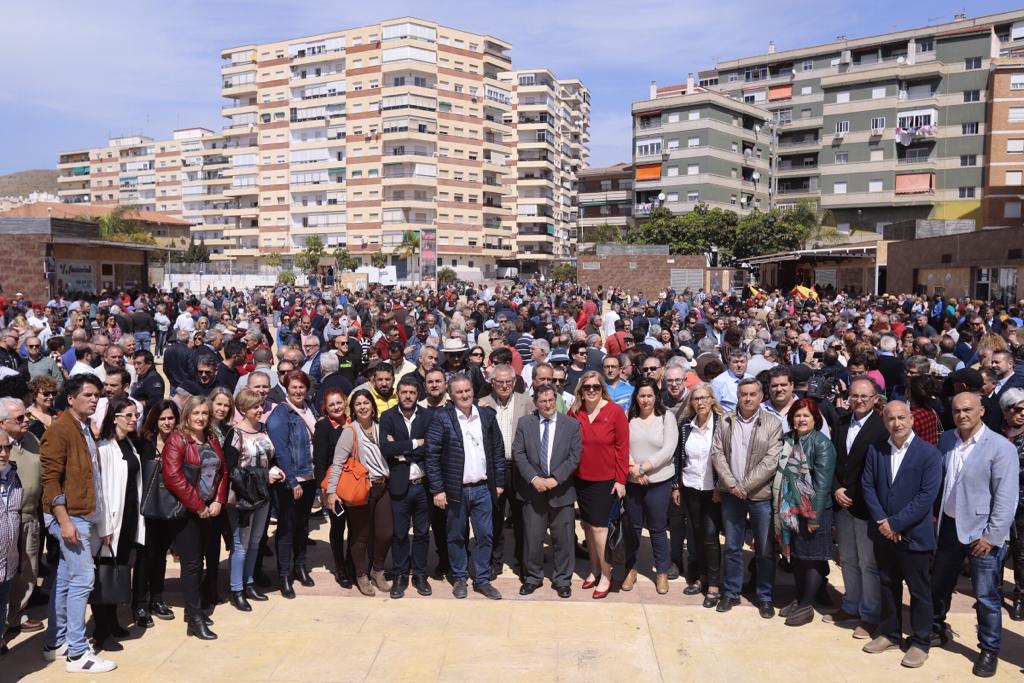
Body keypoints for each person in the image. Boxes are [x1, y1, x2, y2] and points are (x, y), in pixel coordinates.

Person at [931, 391, 1019, 678]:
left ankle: (989, 649)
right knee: (940, 585)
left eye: (968, 409)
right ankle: (936, 628)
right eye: (956, 410)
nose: (962, 415)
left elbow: (1006, 499)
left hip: (982, 535)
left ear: (982, 410)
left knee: (986, 596)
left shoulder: (999, 447)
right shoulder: (947, 441)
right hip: (949, 527)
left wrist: (992, 537)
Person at [39, 374, 118, 672]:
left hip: (81, 514)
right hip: (71, 517)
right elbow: (50, 480)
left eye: (97, 395)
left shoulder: (82, 427)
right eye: (88, 395)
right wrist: (64, 522)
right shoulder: (60, 430)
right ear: (71, 398)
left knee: (65, 579)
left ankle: (55, 643)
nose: (94, 399)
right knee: (83, 580)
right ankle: (77, 653)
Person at [860, 401, 942, 669]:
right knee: (887, 583)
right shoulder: (876, 449)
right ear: (884, 422)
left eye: (901, 418)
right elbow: (868, 485)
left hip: (914, 535)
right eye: (891, 419)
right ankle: (890, 633)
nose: (897, 423)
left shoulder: (929, 454)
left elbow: (926, 496)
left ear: (912, 419)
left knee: (919, 590)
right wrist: (883, 522)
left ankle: (920, 641)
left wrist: (895, 524)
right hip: (883, 533)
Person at [425, 374, 506, 600]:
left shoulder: (487, 416)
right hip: (455, 490)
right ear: (451, 395)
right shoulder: (441, 418)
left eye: (467, 390)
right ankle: (460, 577)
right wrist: (438, 490)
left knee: (485, 535)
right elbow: (431, 456)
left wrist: (499, 482)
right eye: (459, 392)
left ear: (473, 391)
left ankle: (481, 580)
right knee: (456, 536)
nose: (464, 395)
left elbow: (498, 451)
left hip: (483, 489)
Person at [711, 377, 782, 617]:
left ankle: (764, 596)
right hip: (731, 494)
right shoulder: (726, 420)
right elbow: (717, 452)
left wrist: (746, 485)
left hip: (760, 495)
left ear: (761, 396)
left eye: (753, 394)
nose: (748, 398)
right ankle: (731, 592)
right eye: (744, 394)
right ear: (738, 396)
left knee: (764, 549)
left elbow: (771, 461)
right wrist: (732, 484)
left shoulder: (772, 423)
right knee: (732, 546)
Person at [162, 395, 227, 640]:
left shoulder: (211, 437)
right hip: (187, 512)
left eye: (205, 414)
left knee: (200, 562)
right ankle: (194, 618)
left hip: (210, 509)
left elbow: (223, 470)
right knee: (191, 565)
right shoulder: (178, 440)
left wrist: (219, 500)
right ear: (187, 414)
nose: (201, 418)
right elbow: (173, 477)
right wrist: (198, 505)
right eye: (196, 413)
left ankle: (194, 609)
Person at [829, 376, 887, 639]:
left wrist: (854, 493)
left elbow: (878, 471)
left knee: (868, 563)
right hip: (842, 504)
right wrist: (836, 488)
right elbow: (833, 459)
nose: (859, 400)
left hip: (866, 505)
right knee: (848, 560)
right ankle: (850, 604)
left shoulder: (881, 427)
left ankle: (870, 615)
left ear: (876, 399)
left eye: (865, 396)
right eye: (855, 395)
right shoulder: (841, 422)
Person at [512, 383, 582, 598]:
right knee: (532, 539)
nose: (547, 404)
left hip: (561, 492)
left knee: (563, 540)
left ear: (556, 400)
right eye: (542, 401)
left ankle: (562, 580)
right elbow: (519, 453)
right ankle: (532, 578)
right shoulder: (525, 423)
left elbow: (575, 456)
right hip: (533, 492)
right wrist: (534, 479)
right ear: (536, 402)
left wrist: (555, 479)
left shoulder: (571, 425)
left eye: (551, 400)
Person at [771, 398, 836, 626]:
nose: (801, 419)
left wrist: (814, 516)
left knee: (813, 559)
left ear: (815, 419)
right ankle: (799, 598)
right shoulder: (789, 440)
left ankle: (807, 604)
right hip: (791, 509)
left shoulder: (822, 444)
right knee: (797, 557)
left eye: (806, 415)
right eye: (798, 415)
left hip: (812, 511)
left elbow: (823, 484)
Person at [327, 389, 392, 597]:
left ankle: (377, 570)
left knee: (385, 532)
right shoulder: (350, 431)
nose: (362, 407)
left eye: (366, 402)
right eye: (358, 404)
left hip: (383, 487)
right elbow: (337, 463)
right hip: (362, 488)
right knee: (360, 535)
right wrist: (331, 492)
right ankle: (361, 574)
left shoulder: (382, 428)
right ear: (353, 409)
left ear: (373, 406)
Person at [571, 370, 628, 599]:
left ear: (602, 388)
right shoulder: (576, 413)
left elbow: (622, 448)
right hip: (581, 479)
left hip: (605, 480)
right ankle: (594, 569)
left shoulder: (615, 412)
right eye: (587, 387)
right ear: (581, 391)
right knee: (586, 525)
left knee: (600, 529)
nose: (591, 390)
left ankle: (606, 572)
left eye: (595, 386)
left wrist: (621, 480)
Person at [93, 397, 144, 652]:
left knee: (118, 571)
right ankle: (100, 631)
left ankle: (112, 622)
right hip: (110, 525)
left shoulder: (129, 446)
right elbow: (100, 492)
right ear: (115, 417)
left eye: (135, 415)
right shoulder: (104, 448)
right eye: (129, 415)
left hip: (128, 519)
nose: (134, 420)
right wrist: (103, 528)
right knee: (104, 575)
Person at [226, 389, 281, 612]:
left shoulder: (264, 429)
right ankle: (236, 588)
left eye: (260, 406)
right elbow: (231, 470)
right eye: (254, 407)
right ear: (243, 410)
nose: (260, 410)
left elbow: (270, 457)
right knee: (241, 544)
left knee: (256, 541)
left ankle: (249, 583)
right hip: (244, 497)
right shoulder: (235, 434)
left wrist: (275, 468)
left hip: (263, 494)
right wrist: (262, 476)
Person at [621, 377, 678, 595]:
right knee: (632, 527)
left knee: (657, 528)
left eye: (649, 395)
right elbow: (623, 444)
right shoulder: (630, 417)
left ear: (656, 397)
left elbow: (668, 449)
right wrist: (632, 468)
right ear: (636, 396)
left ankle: (661, 572)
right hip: (633, 480)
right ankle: (631, 568)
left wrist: (643, 468)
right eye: (642, 395)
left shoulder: (666, 418)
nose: (645, 400)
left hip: (658, 481)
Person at [266, 370, 319, 598]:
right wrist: (291, 480)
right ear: (287, 389)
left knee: (303, 524)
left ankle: (300, 566)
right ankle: (285, 575)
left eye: (301, 387)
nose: (298, 391)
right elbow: (281, 450)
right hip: (292, 480)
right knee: (287, 528)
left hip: (309, 477)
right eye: (294, 387)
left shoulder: (310, 408)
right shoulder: (281, 413)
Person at [380, 376, 434, 598]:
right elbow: (385, 447)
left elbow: (430, 447)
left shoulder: (428, 416)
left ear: (418, 394)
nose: (408, 396)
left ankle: (420, 574)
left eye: (412, 392)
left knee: (422, 533)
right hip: (400, 485)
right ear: (398, 394)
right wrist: (415, 443)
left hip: (423, 485)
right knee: (400, 533)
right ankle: (401, 574)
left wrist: (401, 450)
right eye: (404, 392)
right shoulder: (388, 416)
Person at [477, 364, 531, 580]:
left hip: (520, 468)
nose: (505, 386)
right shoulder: (482, 404)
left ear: (515, 381)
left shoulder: (526, 402)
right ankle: (495, 562)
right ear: (492, 383)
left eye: (509, 381)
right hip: (494, 469)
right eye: (500, 382)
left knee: (521, 518)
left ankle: (521, 561)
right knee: (495, 517)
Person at [672, 383, 724, 607]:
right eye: (696, 399)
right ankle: (700, 578)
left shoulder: (722, 424)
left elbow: (727, 457)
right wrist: (676, 485)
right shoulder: (686, 426)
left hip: (713, 490)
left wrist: (721, 486)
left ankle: (714, 585)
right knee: (695, 534)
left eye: (704, 398)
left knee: (711, 536)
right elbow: (679, 458)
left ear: (712, 400)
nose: (700, 402)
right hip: (691, 486)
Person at [312, 388, 352, 589]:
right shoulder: (323, 427)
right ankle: (341, 568)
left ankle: (353, 563)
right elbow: (319, 461)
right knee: (338, 527)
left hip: (354, 483)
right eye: (331, 405)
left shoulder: (352, 423)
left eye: (339, 403)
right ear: (325, 408)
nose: (336, 407)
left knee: (355, 527)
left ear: (345, 402)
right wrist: (325, 489)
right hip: (334, 486)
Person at [1002, 387, 1024, 621]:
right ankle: (994, 591)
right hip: (998, 501)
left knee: (1021, 552)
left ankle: (1020, 596)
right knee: (998, 549)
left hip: (1022, 503)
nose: (1022, 413)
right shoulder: (996, 433)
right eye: (1017, 409)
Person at [0, 428, 21, 657]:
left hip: (8, 558)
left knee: (2, 603)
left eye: (7, 447)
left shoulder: (13, 475)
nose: (4, 454)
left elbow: (17, 514)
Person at [26, 375, 58, 440]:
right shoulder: (26, 417)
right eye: (46, 393)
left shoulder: (58, 413)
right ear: (34, 395)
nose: (51, 397)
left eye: (54, 393)